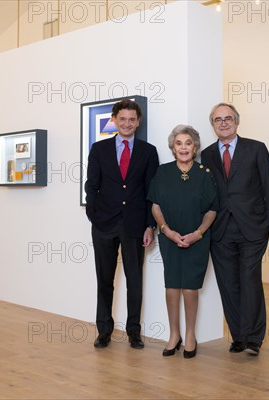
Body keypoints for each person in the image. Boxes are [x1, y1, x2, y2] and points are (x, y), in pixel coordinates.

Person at [201, 103, 269, 356]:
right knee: (228, 284)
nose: (223, 123)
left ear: (237, 121)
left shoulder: (256, 148)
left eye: (228, 118)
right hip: (221, 229)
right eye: (217, 120)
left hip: (253, 228)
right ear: (212, 124)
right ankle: (238, 336)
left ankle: (254, 338)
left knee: (250, 280)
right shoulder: (208, 154)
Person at [85, 99, 159, 350]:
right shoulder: (99, 149)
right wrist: (94, 215)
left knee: (134, 280)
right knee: (104, 280)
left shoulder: (148, 152)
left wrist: (150, 225)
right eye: (123, 119)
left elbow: (152, 192)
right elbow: (91, 186)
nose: (127, 123)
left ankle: (133, 332)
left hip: (135, 225)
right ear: (114, 120)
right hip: (104, 224)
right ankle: (104, 330)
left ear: (138, 122)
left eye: (132, 119)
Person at [148, 125, 218, 359]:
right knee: (171, 287)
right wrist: (167, 231)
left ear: (195, 146)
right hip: (170, 238)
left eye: (188, 143)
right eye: (179, 143)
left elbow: (212, 209)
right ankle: (174, 335)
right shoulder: (162, 172)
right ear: (173, 147)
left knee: (189, 288)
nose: (184, 147)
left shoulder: (205, 173)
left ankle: (190, 335)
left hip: (197, 239)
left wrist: (198, 233)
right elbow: (155, 205)